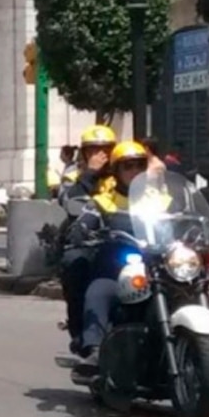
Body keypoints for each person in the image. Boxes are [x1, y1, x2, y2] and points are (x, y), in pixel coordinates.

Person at [69, 140, 160, 375]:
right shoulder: (103, 202)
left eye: (139, 165)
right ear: (116, 171)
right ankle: (94, 350)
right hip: (115, 271)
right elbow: (83, 221)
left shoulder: (160, 198)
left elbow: (184, 218)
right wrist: (81, 230)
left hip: (158, 270)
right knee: (98, 292)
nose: (134, 172)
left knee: (192, 284)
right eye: (127, 166)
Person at [57, 124, 118, 353]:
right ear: (84, 153)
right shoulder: (74, 175)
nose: (100, 155)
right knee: (75, 265)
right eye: (93, 150)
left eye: (105, 149)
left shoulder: (123, 173)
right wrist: (90, 174)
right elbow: (68, 201)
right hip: (87, 240)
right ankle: (81, 333)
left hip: (125, 238)